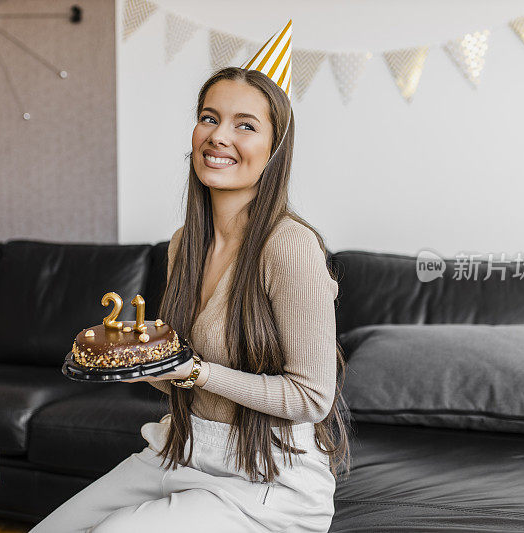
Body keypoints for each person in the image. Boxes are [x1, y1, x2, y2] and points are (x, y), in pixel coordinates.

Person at [30, 19, 350, 533]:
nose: (219, 136)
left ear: (274, 149)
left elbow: (312, 398)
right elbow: (181, 373)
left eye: (246, 125)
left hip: (265, 480)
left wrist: (194, 371)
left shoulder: (290, 246)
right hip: (179, 450)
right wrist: (142, 364)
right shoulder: (185, 242)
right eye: (209, 117)